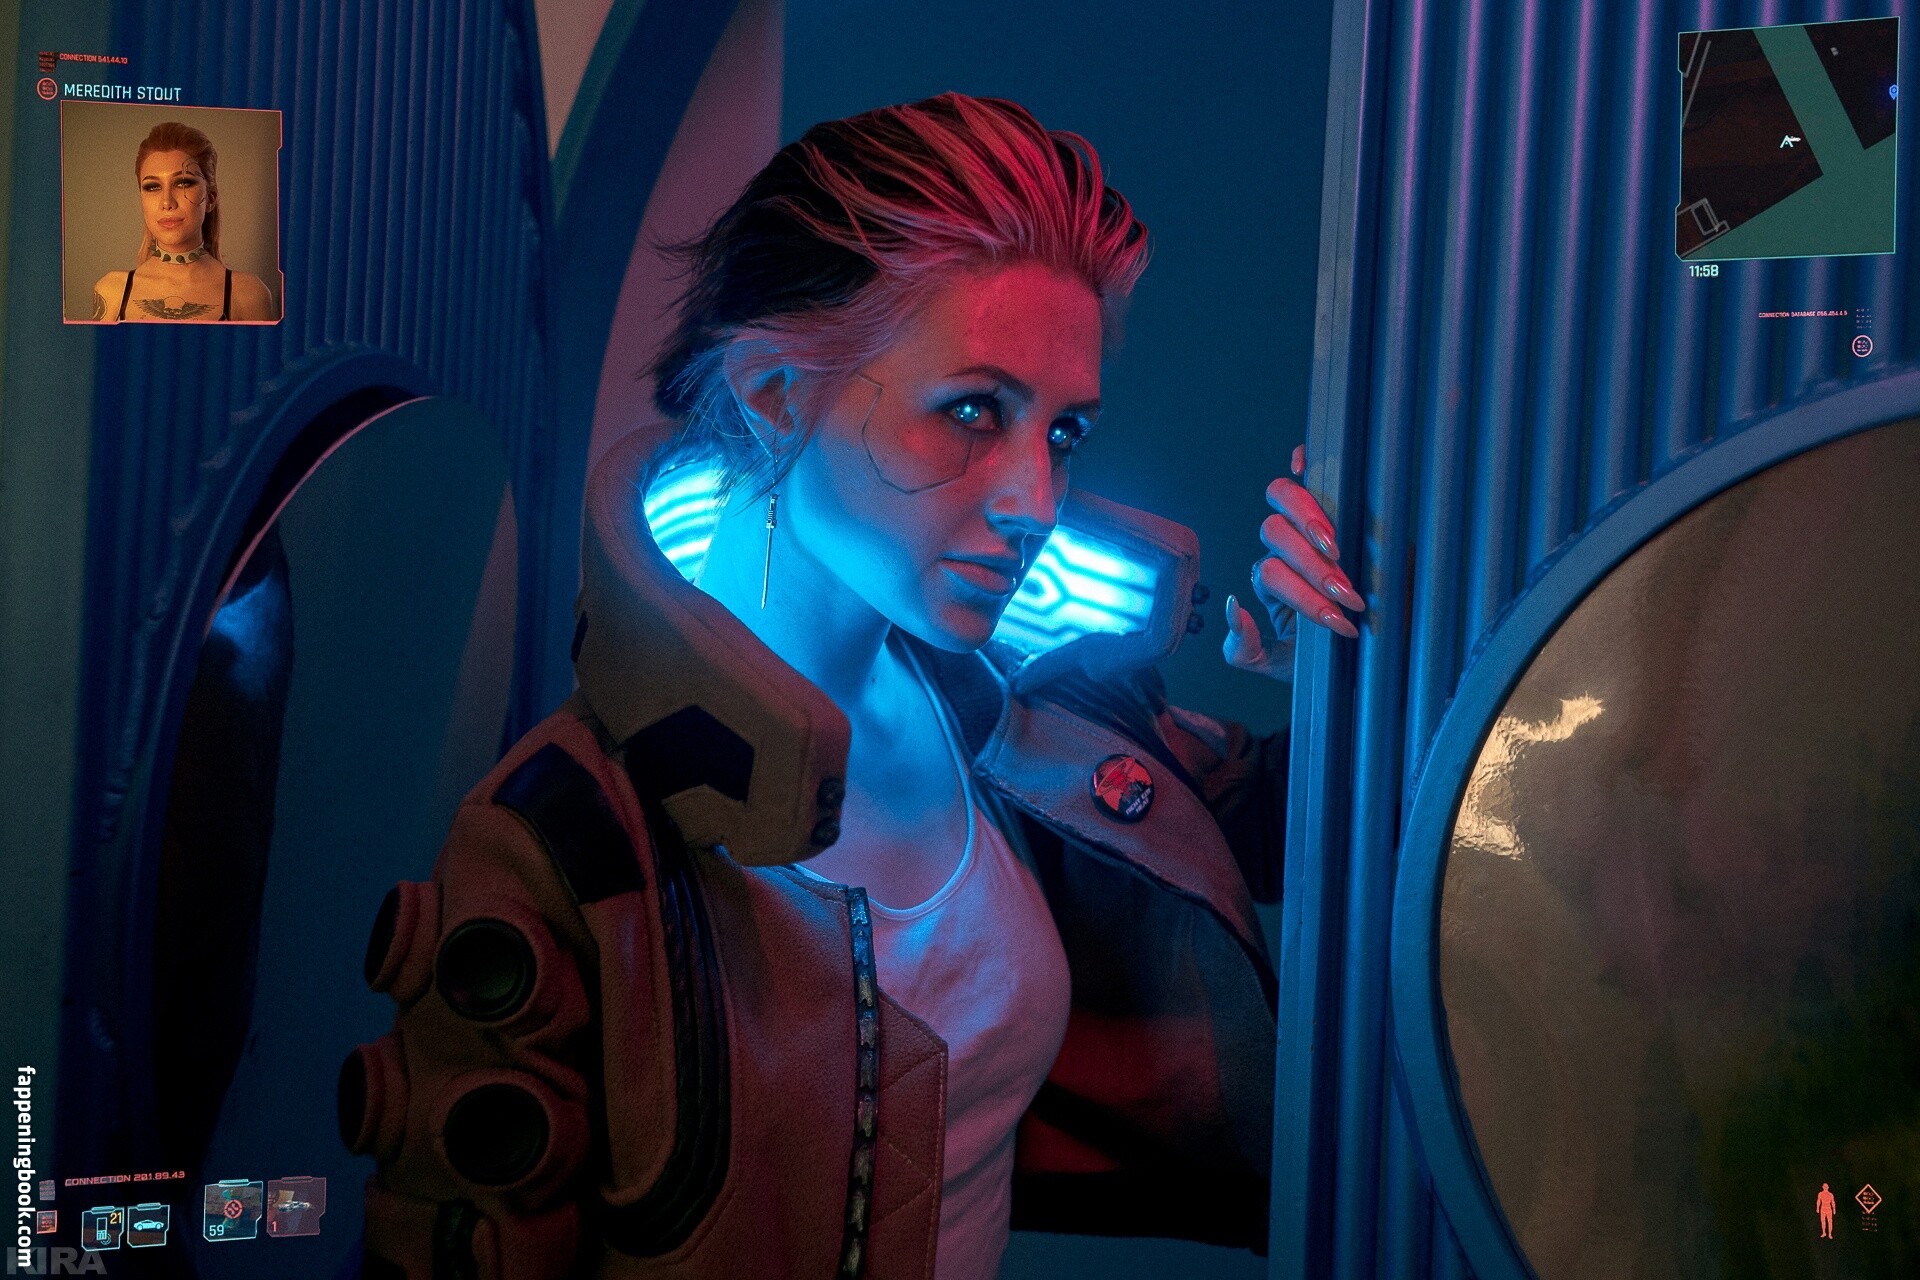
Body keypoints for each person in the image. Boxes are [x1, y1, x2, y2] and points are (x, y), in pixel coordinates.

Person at [347, 92, 1364, 1279]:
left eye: (1065, 432)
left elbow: (1355, 841)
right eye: (973, 409)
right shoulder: (570, 837)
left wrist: (1350, 659)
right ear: (777, 393)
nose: (1036, 499)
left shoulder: (1029, 715)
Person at [90, 120, 275, 323]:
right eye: (152, 187)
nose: (167, 202)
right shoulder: (112, 291)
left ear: (210, 198)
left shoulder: (248, 295)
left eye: (183, 183)